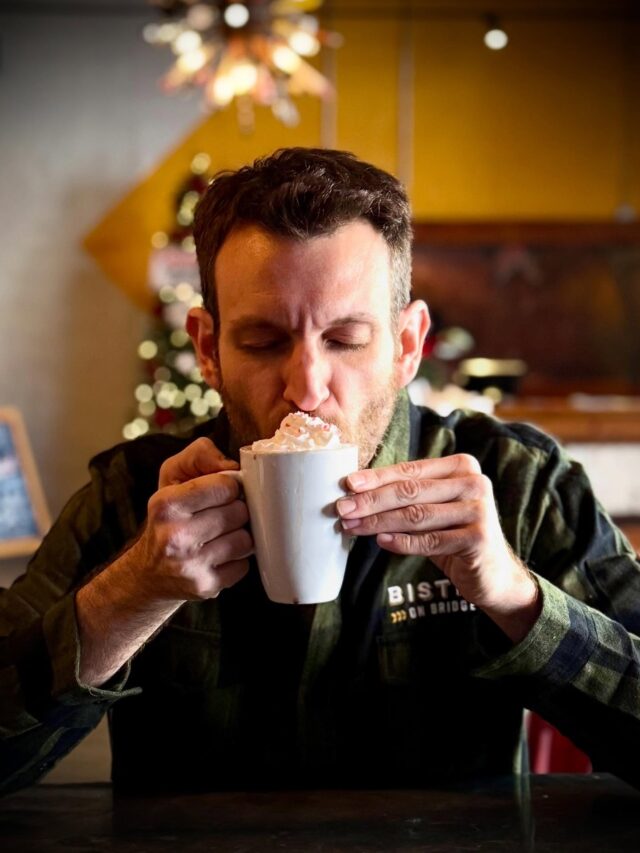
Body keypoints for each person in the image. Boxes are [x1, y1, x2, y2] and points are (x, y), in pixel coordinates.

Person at [1, 148, 639, 796]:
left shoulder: (518, 485)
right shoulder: (134, 497)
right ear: (206, 349)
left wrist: (515, 596)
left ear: (408, 345)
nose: (306, 387)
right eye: (263, 341)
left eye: (345, 339)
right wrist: (132, 591)